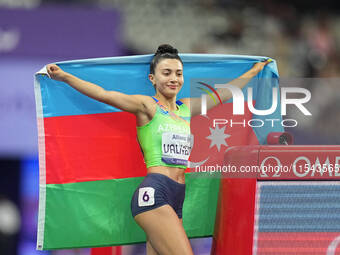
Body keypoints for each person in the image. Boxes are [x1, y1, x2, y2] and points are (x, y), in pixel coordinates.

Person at [46, 44, 270, 255]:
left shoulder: (186, 107)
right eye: (167, 73)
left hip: (177, 197)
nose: (174, 78)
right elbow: (103, 94)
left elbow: (223, 94)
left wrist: (254, 72)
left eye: (178, 73)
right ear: (152, 78)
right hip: (155, 193)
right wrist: (65, 76)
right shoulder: (147, 106)